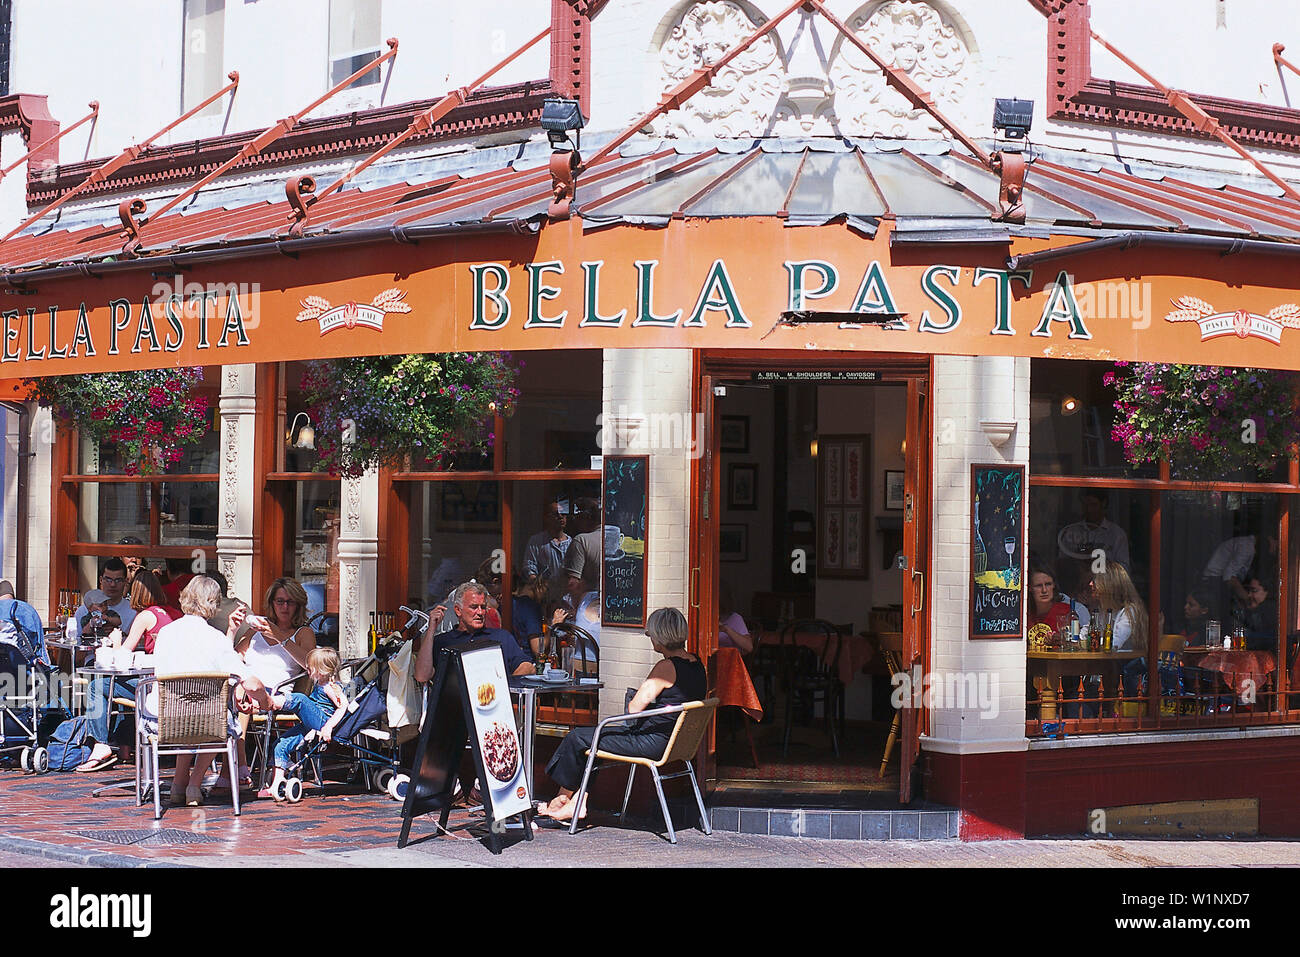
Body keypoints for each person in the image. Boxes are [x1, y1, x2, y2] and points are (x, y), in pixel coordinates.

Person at [538, 607, 705, 823]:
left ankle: (560, 799)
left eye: (651, 634)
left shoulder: (666, 667)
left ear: (661, 637)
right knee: (596, 741)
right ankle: (577, 803)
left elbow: (634, 709)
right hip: (677, 743)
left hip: (653, 742)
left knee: (577, 737)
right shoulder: (698, 664)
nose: (650, 638)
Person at [149, 576, 270, 807]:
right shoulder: (214, 638)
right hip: (206, 721)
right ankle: (194, 784)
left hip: (164, 718)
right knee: (215, 720)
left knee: (192, 712)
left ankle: (178, 785)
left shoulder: (165, 633)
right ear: (213, 603)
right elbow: (250, 683)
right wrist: (266, 699)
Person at [77, 570, 181, 772]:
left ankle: (101, 744)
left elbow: (121, 661)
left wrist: (116, 643)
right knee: (121, 688)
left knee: (98, 687)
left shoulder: (145, 616)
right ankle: (125, 747)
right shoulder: (173, 613)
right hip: (174, 684)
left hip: (153, 687)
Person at [226, 577, 316, 789]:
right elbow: (233, 658)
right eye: (279, 601)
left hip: (276, 693)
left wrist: (279, 637)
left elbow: (310, 666)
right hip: (246, 685)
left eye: (290, 602)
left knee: (242, 697)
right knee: (235, 691)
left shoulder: (303, 633)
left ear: (298, 605)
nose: (284, 607)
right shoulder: (256, 630)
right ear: (272, 603)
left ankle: (237, 767)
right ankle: (236, 766)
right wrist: (232, 629)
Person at [261, 647, 348, 802]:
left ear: (321, 670)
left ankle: (270, 702)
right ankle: (276, 785)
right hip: (311, 723)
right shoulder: (320, 683)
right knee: (281, 744)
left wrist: (329, 727)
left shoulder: (330, 686)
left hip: (322, 721)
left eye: (310, 667)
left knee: (300, 699)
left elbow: (344, 705)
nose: (307, 669)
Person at [413, 581, 534, 684]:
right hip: (454, 707)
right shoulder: (443, 642)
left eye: (483, 607)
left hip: (491, 704)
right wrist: (431, 630)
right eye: (474, 607)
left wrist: (501, 688)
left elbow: (527, 667)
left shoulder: (502, 637)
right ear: (458, 610)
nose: (480, 612)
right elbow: (421, 676)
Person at [1202, 531, 1278, 617]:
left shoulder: (1250, 548)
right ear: (1269, 538)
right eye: (1275, 546)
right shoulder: (1246, 547)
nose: (1273, 550)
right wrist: (1248, 600)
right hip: (1213, 581)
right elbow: (1229, 578)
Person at [1057, 490, 1130, 569]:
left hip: (1105, 580)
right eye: (1085, 505)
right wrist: (1078, 557)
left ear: (1103, 503)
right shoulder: (1071, 532)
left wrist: (1102, 561)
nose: (1089, 510)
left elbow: (1124, 570)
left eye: (1093, 505)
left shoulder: (1117, 534)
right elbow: (1062, 565)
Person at [522, 500, 572, 601]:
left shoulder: (572, 543)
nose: (560, 517)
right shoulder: (536, 541)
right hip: (544, 597)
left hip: (567, 598)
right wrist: (540, 587)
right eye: (556, 514)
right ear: (547, 518)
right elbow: (529, 568)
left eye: (563, 514)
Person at [74, 559, 137, 635]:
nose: (113, 584)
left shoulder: (133, 612)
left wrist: (118, 633)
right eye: (108, 579)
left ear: (125, 581)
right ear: (101, 580)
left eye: (118, 580)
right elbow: (75, 641)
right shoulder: (83, 611)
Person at [562, 497, 603, 598]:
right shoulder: (612, 538)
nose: (574, 521)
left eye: (577, 516)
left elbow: (573, 583)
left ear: (586, 517)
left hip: (587, 605)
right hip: (608, 604)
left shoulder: (581, 541)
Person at [1235, 576, 1277, 652]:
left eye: (1254, 591)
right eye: (1249, 591)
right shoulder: (1256, 610)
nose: (1249, 595)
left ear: (1267, 592)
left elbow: (1260, 639)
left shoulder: (1271, 612)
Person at [1027, 565, 1071, 633]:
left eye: (1048, 584)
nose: (1044, 590)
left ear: (1054, 585)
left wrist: (1061, 639)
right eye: (1038, 585)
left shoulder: (1066, 612)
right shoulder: (1024, 614)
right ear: (1029, 588)